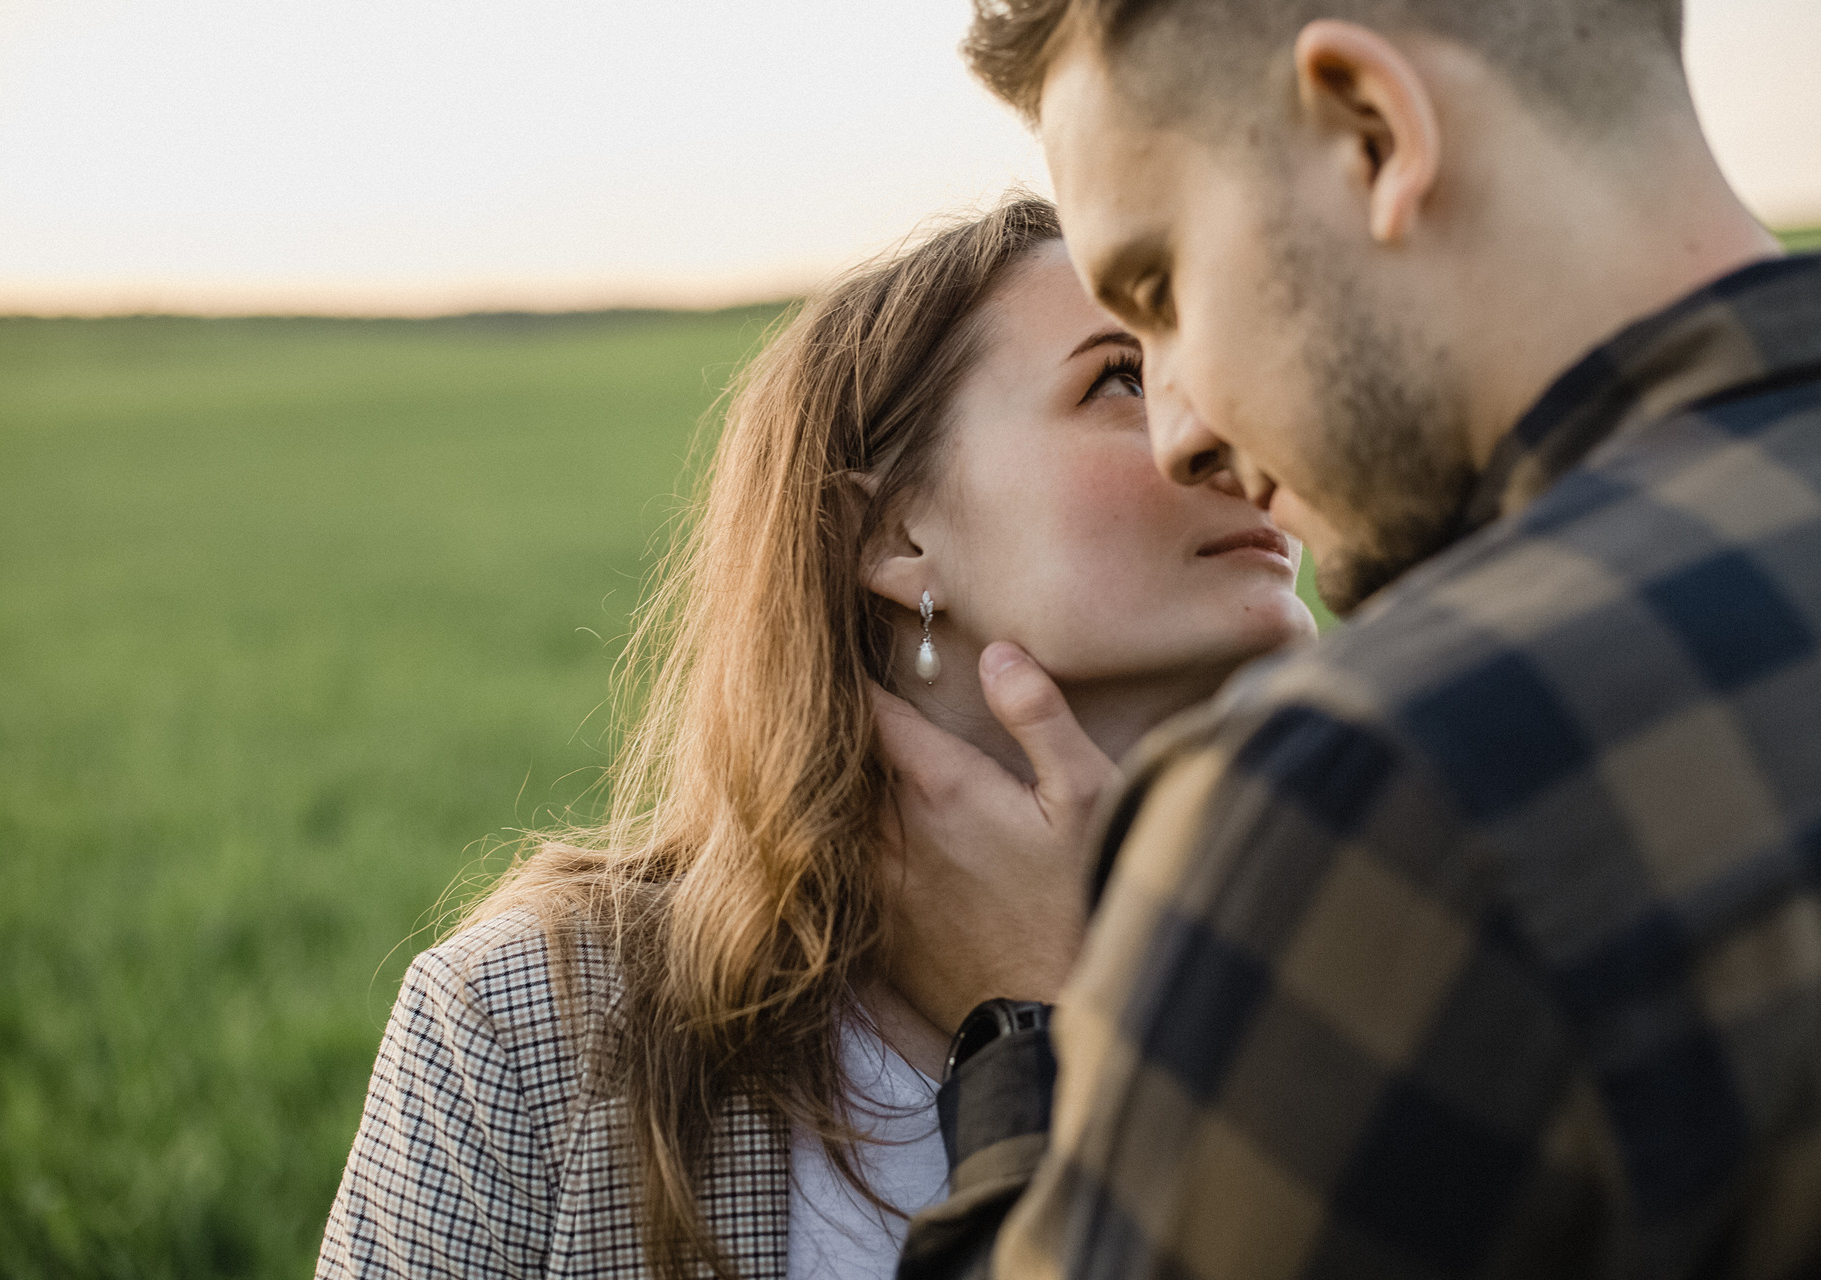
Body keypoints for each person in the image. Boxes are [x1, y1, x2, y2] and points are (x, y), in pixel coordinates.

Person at [889, 2, 1821, 1277]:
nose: (1183, 431)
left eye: (1160, 288)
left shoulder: (1385, 781)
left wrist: (1046, 1026)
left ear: (1372, 132)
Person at [315, 195, 1318, 1280]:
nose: (1232, 426)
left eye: (1228, 371)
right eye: (1122, 377)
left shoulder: (1347, 970)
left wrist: (1068, 1013)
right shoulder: (535, 1027)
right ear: (895, 536)